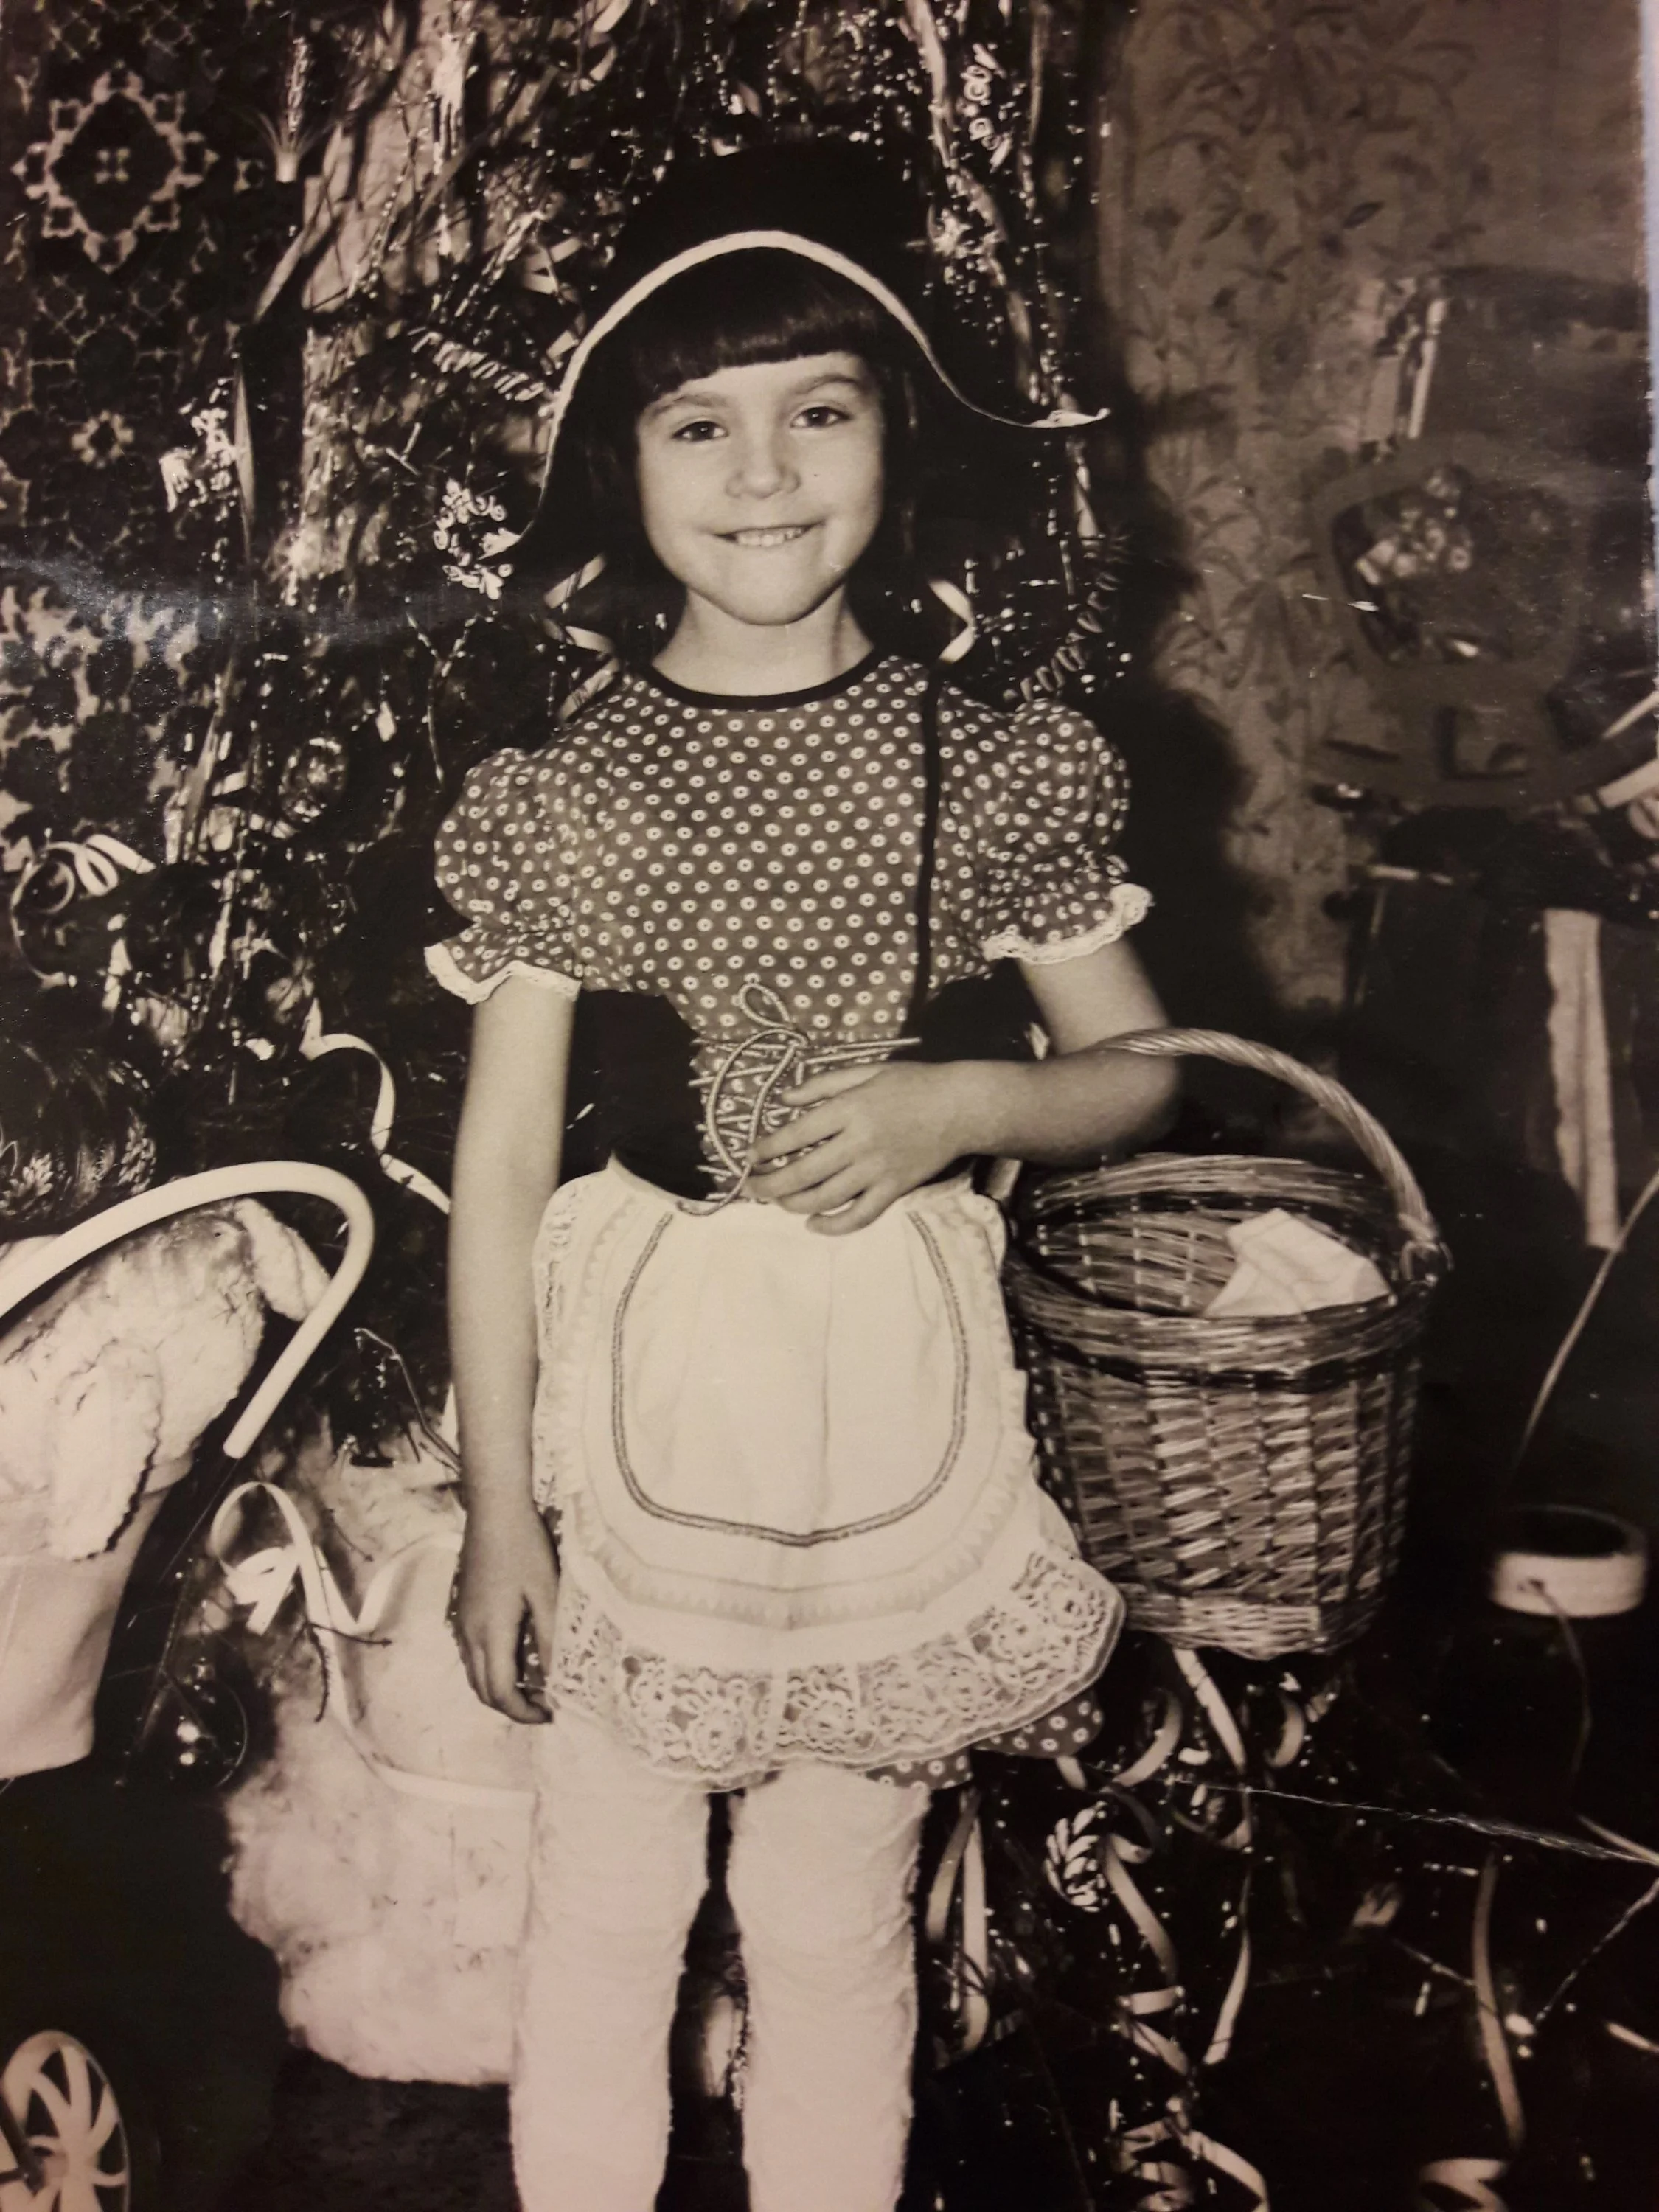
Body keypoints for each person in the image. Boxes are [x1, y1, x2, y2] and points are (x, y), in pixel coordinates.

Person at [427, 145, 1178, 2212]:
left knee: (839, 1915)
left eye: (818, 410)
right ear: (620, 468)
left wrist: (968, 1106)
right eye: (699, 424)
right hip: (649, 1392)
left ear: (896, 440)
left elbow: (1140, 1075)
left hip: (887, 1398)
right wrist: (498, 1509)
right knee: (607, 1900)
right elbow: (503, 1166)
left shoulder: (987, 762)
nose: (764, 474)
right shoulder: (570, 789)